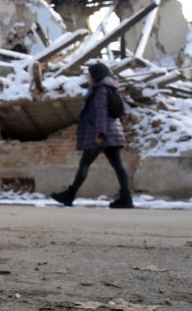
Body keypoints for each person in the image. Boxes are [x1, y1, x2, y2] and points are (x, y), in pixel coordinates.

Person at [50, 61, 133, 208]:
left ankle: (69, 195)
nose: (87, 77)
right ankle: (126, 198)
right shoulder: (112, 87)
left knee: (85, 164)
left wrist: (100, 133)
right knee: (117, 165)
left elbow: (101, 111)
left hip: (103, 133)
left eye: (89, 74)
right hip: (113, 132)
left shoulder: (101, 89)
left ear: (96, 75)